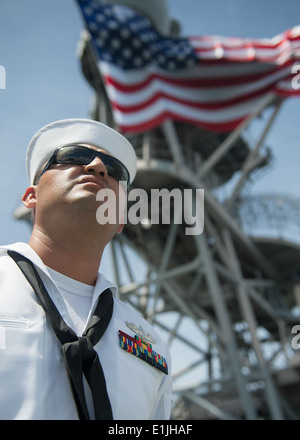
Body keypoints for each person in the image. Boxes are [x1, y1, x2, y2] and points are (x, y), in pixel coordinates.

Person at [0, 118, 172, 420]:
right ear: (31, 196)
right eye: (73, 156)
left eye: (114, 170)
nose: (96, 166)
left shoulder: (153, 345)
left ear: (120, 221)